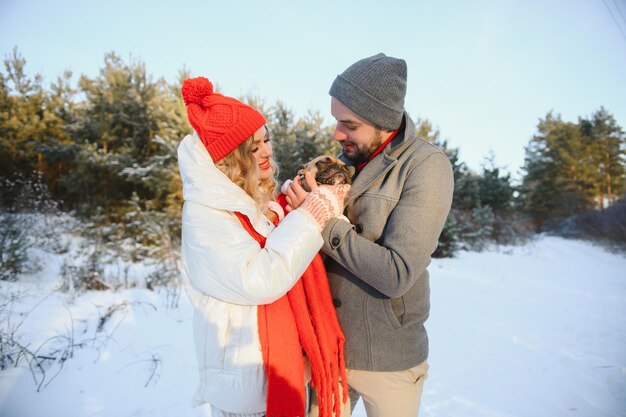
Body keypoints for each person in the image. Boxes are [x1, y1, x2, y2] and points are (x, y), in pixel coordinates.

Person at [286, 53, 454, 417]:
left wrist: (325, 222)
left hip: (389, 357)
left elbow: (397, 273)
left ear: (383, 122)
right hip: (327, 351)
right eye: (335, 120)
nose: (336, 133)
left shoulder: (425, 166)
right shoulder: (341, 165)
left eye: (348, 124)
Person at [177, 76, 350, 417]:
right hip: (245, 388)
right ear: (231, 156)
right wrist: (312, 216)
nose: (268, 151)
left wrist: (319, 210)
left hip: (270, 374)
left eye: (267, 140)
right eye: (254, 147)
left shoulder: (251, 199)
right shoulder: (206, 214)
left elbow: (291, 244)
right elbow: (260, 279)